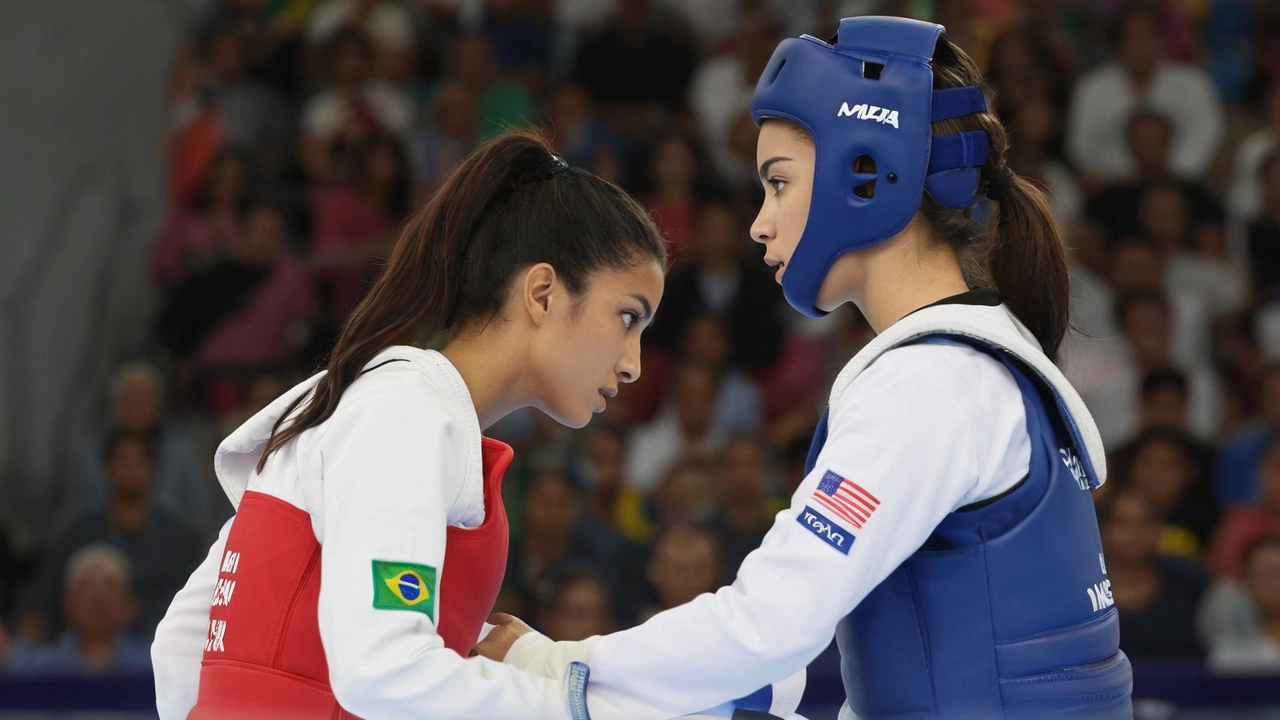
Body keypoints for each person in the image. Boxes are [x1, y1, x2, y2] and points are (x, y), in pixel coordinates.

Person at [479, 16, 1132, 719]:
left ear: (869, 172)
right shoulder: (981, 360)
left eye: (778, 183)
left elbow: (768, 626)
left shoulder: (930, 385)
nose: (760, 222)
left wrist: (545, 664)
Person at [150, 131, 793, 720]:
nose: (633, 365)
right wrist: (575, 706)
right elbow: (386, 669)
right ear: (542, 293)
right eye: (628, 317)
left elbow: (182, 646)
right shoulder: (402, 413)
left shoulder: (379, 405)